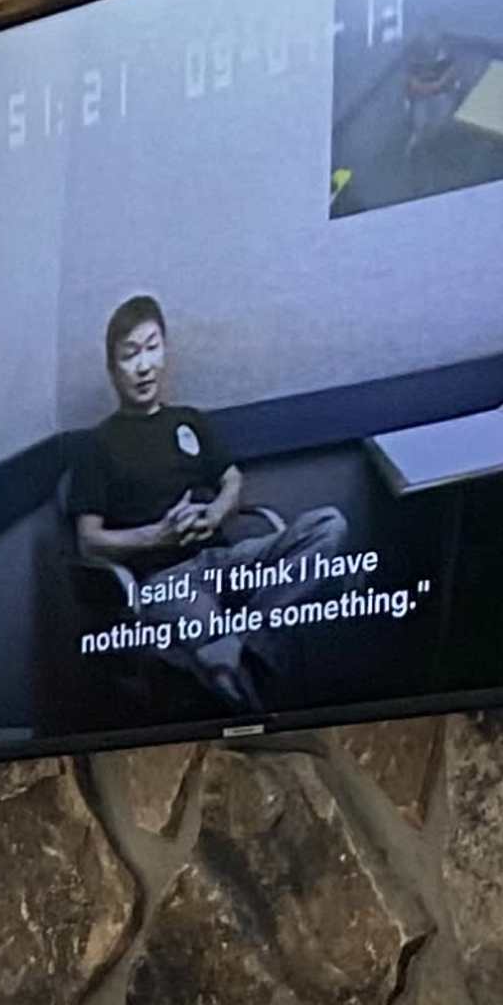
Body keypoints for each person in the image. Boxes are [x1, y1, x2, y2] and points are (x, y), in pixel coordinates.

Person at [69, 295, 344, 707]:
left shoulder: (190, 420)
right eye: (129, 355)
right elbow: (88, 540)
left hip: (227, 561)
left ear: (165, 351)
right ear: (113, 368)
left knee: (329, 527)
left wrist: (215, 513)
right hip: (166, 580)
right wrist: (156, 537)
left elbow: (231, 479)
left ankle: (253, 641)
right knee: (223, 657)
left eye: (151, 348)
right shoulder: (97, 444)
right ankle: (260, 714)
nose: (143, 366)